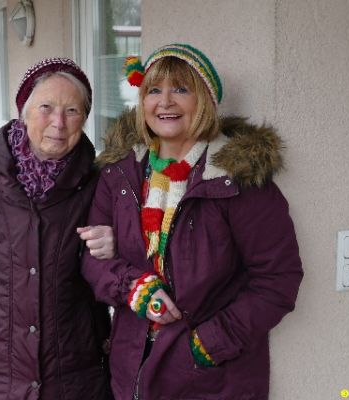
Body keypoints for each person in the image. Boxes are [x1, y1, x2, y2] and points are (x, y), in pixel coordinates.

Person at [80, 43, 303, 400]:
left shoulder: (237, 180)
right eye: (154, 90)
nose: (165, 102)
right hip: (130, 368)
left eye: (181, 89)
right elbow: (93, 261)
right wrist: (133, 287)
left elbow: (278, 279)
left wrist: (208, 344)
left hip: (211, 379)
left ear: (204, 101)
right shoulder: (119, 173)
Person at [0, 58, 114, 400]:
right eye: (46, 108)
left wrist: (117, 241)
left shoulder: (98, 182)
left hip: (73, 359)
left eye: (72, 111)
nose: (58, 122)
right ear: (24, 112)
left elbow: (124, 252)